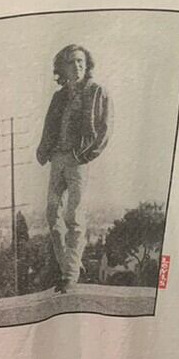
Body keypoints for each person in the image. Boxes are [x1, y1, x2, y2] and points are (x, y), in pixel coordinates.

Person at [35, 43, 111, 293]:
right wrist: (43, 150)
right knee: (52, 215)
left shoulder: (97, 92)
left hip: (78, 161)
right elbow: (49, 126)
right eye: (71, 62)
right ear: (62, 67)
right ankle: (69, 265)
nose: (77, 66)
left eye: (81, 62)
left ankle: (70, 275)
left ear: (87, 65)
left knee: (74, 216)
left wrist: (86, 155)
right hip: (57, 159)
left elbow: (105, 130)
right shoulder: (59, 97)